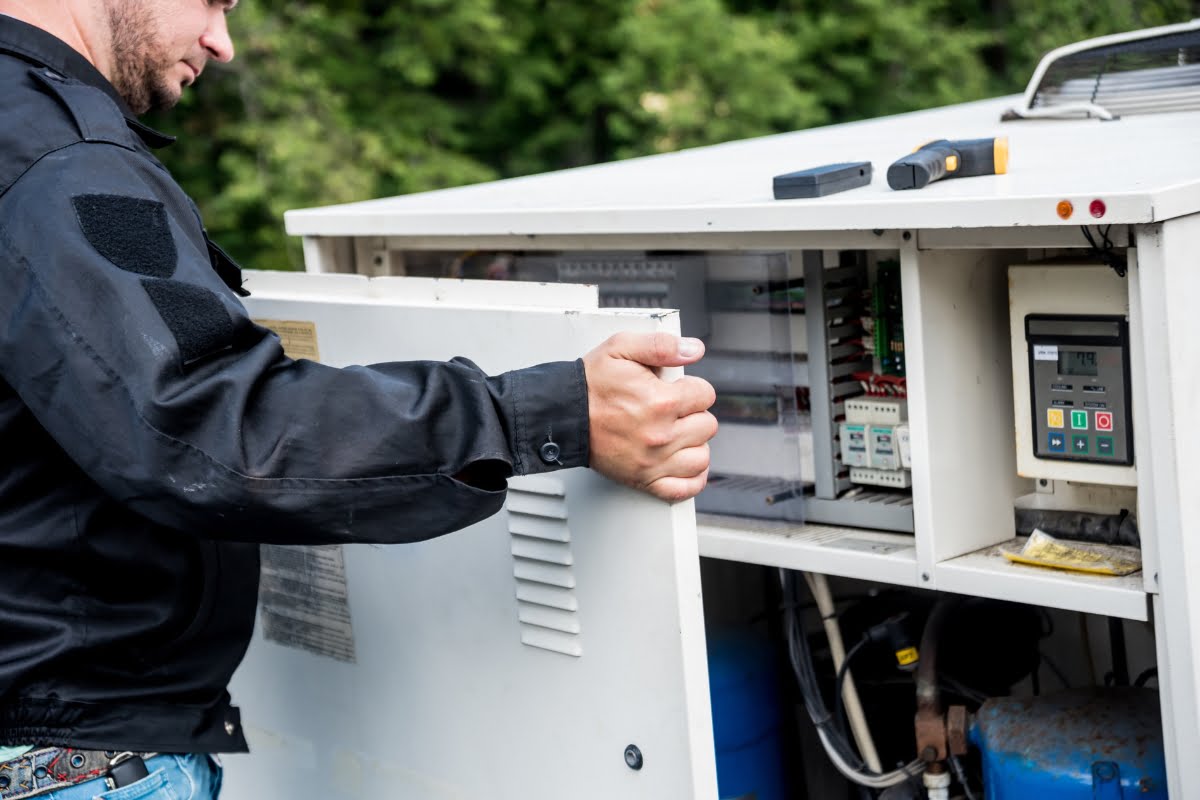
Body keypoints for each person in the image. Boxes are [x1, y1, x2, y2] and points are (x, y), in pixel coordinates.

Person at [0, 2, 718, 798]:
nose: (223, 44)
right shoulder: (59, 156)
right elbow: (223, 433)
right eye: (215, 0)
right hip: (76, 765)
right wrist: (549, 412)